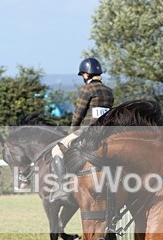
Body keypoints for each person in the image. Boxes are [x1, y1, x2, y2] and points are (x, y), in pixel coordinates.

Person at [48, 58, 115, 200]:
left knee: (56, 150)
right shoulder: (108, 91)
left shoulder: (87, 88)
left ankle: (62, 189)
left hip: (88, 132)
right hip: (106, 133)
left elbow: (79, 112)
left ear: (86, 74)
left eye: (83, 75)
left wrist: (74, 130)